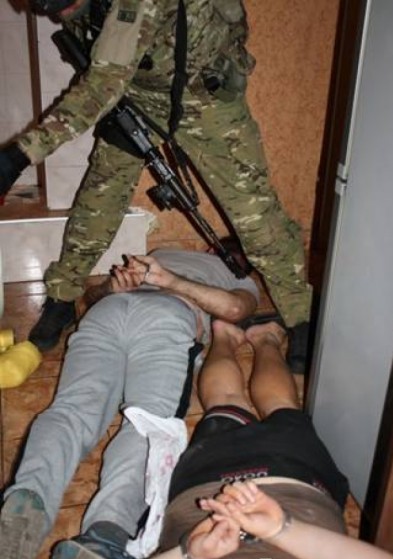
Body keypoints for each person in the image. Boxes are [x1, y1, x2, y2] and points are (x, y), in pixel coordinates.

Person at [0, 0, 312, 370]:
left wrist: (16, 158)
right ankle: (62, 297)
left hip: (202, 96)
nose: (61, 13)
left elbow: (99, 87)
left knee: (255, 215)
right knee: (100, 198)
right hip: (134, 92)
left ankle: (300, 316)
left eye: (68, 4)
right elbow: (105, 68)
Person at [0, 246, 259, 559]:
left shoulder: (165, 254)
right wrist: (128, 285)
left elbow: (90, 299)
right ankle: (107, 533)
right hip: (166, 317)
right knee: (149, 424)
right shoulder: (237, 278)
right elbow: (234, 309)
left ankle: (23, 505)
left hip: (106, 315)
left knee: (71, 411)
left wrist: (113, 289)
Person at [91, 320, 393, 559]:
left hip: (270, 493)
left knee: (276, 407)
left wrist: (191, 555)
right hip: (214, 500)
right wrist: (277, 530)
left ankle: (260, 338)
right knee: (230, 404)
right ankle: (231, 335)